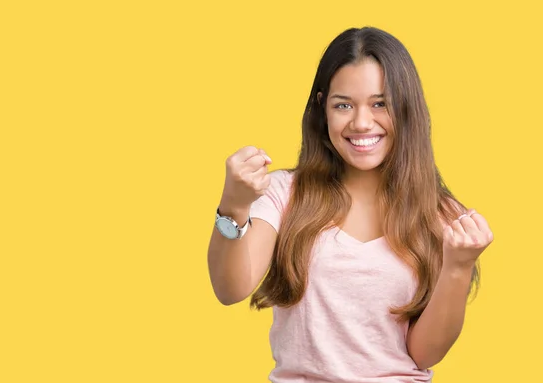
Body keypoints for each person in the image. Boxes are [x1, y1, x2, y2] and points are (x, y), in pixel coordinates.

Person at [207, 26, 493, 383]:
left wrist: (457, 268)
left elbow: (424, 354)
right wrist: (234, 205)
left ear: (406, 108)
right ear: (321, 107)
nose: (361, 123)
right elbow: (230, 289)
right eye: (343, 105)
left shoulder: (442, 216)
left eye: (380, 104)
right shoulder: (285, 194)